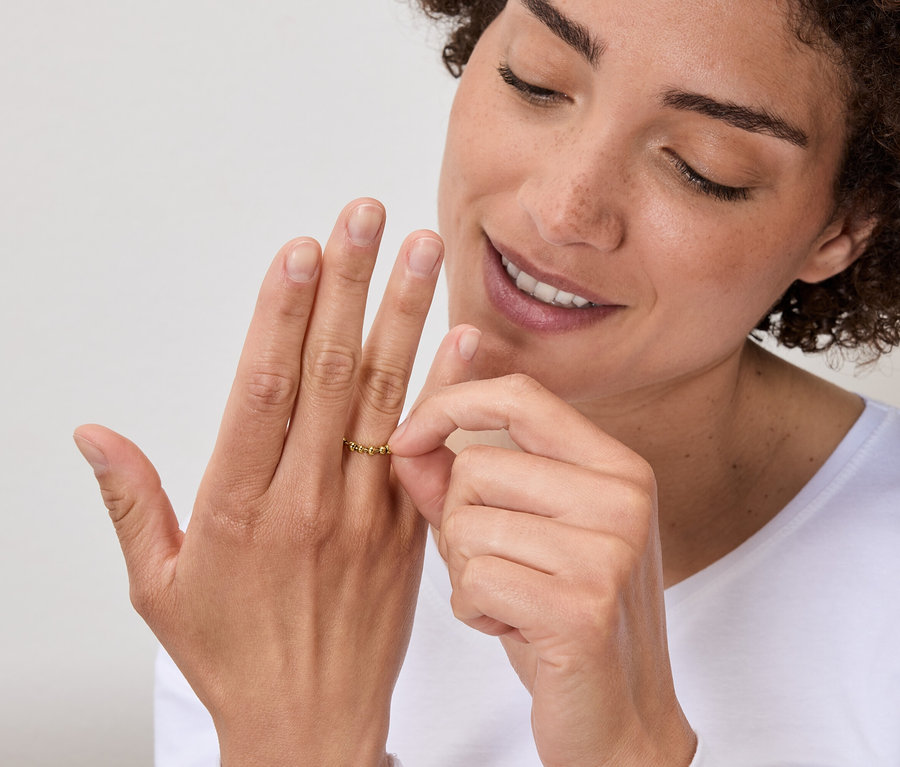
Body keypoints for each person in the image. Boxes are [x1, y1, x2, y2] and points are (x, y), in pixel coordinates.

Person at [73, 0, 900, 765]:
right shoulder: (296, 558)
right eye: (535, 81)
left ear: (843, 227)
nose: (563, 211)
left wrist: (634, 749)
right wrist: (295, 736)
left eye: (701, 167)